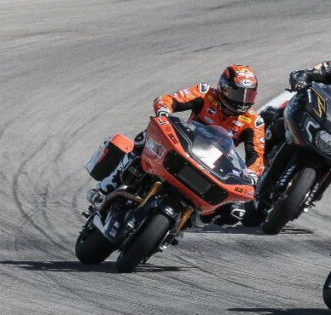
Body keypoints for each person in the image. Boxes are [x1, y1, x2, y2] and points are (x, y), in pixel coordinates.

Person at [90, 64, 265, 223]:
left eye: (249, 95)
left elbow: (257, 154)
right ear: (224, 88)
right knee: (144, 139)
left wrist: (251, 174)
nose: (242, 100)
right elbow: (169, 99)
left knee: (228, 211)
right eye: (238, 93)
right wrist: (164, 111)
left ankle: (180, 225)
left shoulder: (253, 121)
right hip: (185, 145)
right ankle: (105, 187)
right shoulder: (205, 93)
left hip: (214, 164)